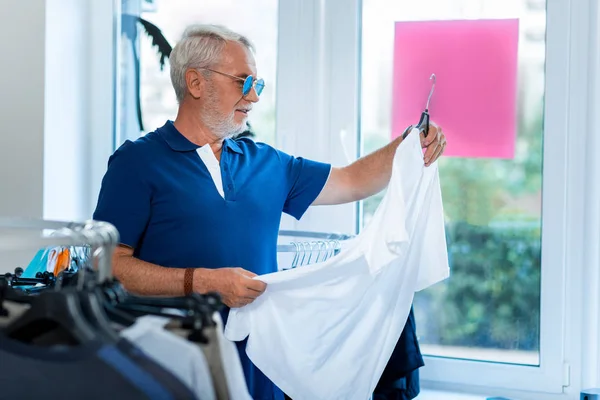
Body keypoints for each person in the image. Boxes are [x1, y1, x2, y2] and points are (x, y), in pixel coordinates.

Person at [93, 24, 446, 400]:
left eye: (257, 85)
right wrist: (204, 281)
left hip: (260, 362)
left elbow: (351, 181)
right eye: (243, 82)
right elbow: (108, 265)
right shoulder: (137, 162)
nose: (253, 97)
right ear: (196, 83)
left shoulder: (266, 162)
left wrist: (409, 145)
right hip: (174, 366)